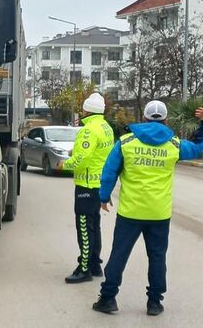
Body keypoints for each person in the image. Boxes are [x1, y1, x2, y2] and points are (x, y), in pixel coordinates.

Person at [92, 100, 203, 316]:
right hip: (159, 213)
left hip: (130, 212)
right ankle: (154, 303)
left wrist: (104, 196)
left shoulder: (126, 141)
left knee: (119, 254)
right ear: (166, 120)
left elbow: (110, 170)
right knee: (157, 257)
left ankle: (108, 298)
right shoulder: (174, 145)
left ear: (144, 118)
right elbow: (196, 148)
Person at [62, 93, 115, 283]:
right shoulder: (105, 127)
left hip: (86, 185)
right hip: (99, 185)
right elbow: (99, 153)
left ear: (87, 109)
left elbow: (82, 159)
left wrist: (64, 164)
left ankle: (84, 268)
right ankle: (95, 264)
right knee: (95, 227)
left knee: (84, 227)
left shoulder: (88, 130)